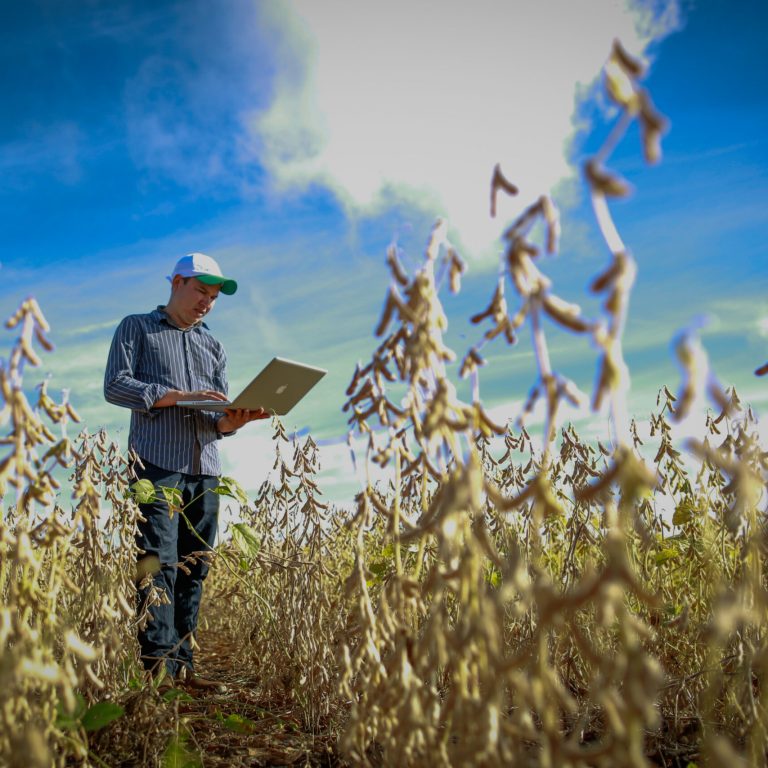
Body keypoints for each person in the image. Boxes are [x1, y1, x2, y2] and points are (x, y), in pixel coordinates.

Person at [104, 252, 268, 690]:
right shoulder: (136, 327)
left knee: (194, 569)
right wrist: (174, 395)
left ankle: (184, 667)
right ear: (176, 282)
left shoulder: (214, 346)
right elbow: (115, 384)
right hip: (155, 466)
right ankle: (158, 673)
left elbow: (216, 416)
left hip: (206, 468)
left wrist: (231, 422)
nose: (207, 303)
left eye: (214, 297)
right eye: (201, 291)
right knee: (158, 566)